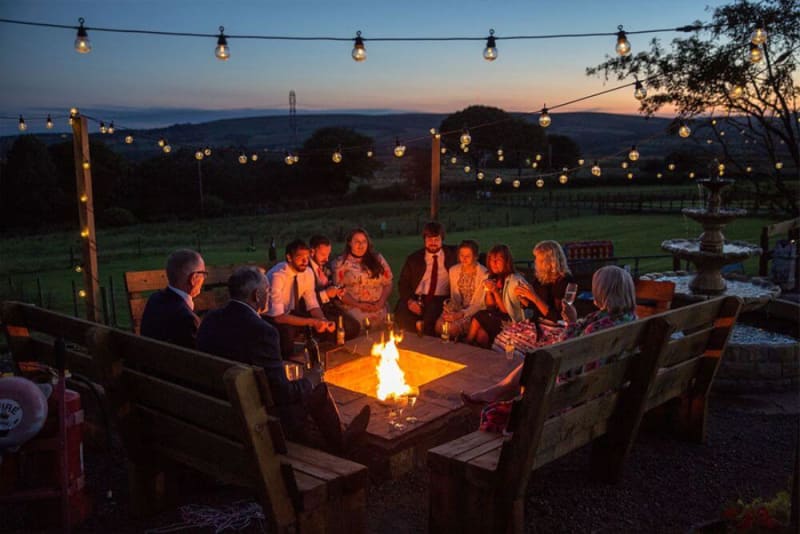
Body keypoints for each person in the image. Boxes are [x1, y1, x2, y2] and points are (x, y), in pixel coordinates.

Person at [197, 266, 370, 453]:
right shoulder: (262, 331)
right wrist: (311, 380)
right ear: (256, 295)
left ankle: (331, 437)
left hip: (218, 409)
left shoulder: (209, 320)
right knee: (318, 389)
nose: (269, 296)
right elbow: (281, 394)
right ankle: (341, 444)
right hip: (259, 419)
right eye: (268, 291)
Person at [462, 265, 638, 410]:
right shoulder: (629, 319)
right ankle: (497, 392)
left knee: (538, 361)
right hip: (608, 385)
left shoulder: (598, 328)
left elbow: (564, 348)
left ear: (602, 292)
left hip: (582, 391)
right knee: (535, 359)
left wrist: (570, 322)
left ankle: (496, 394)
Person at [266, 240, 335, 360]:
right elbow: (278, 317)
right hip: (270, 317)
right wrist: (312, 322)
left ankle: (322, 361)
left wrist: (323, 320)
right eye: (299, 257)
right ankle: (287, 364)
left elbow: (312, 304)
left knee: (329, 325)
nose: (305, 261)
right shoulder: (278, 276)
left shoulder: (307, 272)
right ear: (289, 257)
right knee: (287, 333)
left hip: (290, 311)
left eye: (307, 257)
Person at [394, 221, 458, 336]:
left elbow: (471, 252)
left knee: (431, 315)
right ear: (424, 240)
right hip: (417, 297)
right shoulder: (414, 259)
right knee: (401, 311)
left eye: (436, 239)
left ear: (442, 239)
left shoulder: (453, 254)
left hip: (440, 298)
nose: (433, 243)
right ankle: (411, 340)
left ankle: (427, 340)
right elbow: (403, 283)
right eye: (429, 239)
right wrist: (410, 301)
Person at [465, 245, 529, 347]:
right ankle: (479, 356)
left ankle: (466, 345)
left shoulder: (514, 281)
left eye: (498, 260)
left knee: (479, 316)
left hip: (510, 321)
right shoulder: (490, 276)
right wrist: (489, 291)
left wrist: (495, 292)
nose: (494, 263)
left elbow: (505, 311)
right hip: (495, 317)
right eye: (491, 259)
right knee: (481, 335)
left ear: (506, 261)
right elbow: (491, 307)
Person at [330, 228, 393, 333]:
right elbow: (340, 291)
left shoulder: (378, 259)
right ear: (350, 243)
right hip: (355, 307)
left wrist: (381, 302)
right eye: (357, 242)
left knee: (385, 334)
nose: (361, 245)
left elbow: (388, 283)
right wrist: (358, 305)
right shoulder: (341, 263)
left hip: (378, 306)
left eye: (364, 241)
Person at [140, 249, 206, 349]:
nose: (204, 279)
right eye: (203, 274)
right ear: (194, 279)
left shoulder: (154, 299)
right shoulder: (187, 319)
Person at [309, 235, 360, 341]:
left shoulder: (323, 266)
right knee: (348, 328)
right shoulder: (306, 270)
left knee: (354, 326)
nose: (326, 259)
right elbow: (306, 300)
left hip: (329, 307)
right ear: (312, 251)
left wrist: (337, 291)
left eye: (328, 254)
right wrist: (326, 294)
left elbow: (329, 286)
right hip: (315, 311)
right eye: (323, 255)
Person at [434, 240, 488, 339]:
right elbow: (454, 297)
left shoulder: (484, 274)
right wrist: (450, 310)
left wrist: (461, 314)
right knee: (438, 326)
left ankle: (457, 348)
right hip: (457, 308)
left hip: (473, 312)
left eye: (468, 256)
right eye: (461, 255)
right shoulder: (453, 271)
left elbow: (479, 304)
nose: (464, 259)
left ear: (475, 257)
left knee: (451, 329)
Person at [517, 240, 574, 323]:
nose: (535, 262)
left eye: (538, 259)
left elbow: (556, 317)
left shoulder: (564, 281)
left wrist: (533, 296)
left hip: (553, 327)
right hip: (538, 323)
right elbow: (536, 306)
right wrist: (524, 298)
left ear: (549, 262)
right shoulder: (541, 279)